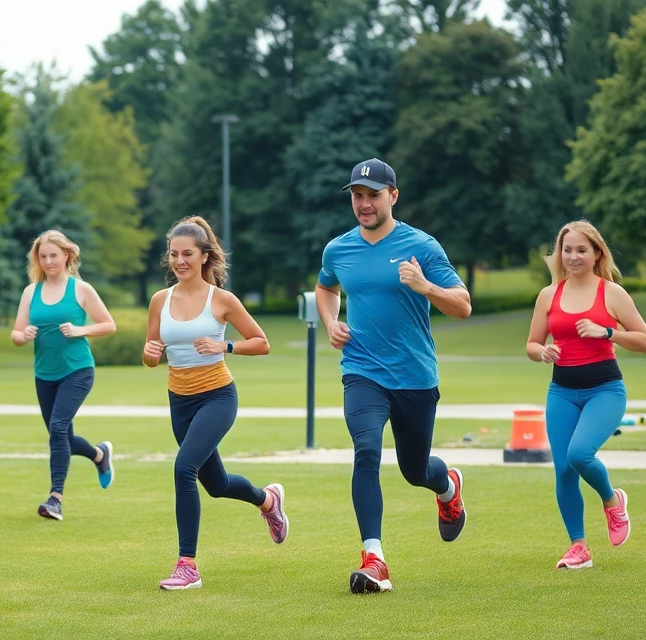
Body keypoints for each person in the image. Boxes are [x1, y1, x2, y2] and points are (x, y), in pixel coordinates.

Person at [314, 158, 473, 594]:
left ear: (393, 196)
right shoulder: (338, 249)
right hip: (362, 370)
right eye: (357, 196)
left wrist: (426, 287)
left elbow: (462, 305)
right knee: (366, 452)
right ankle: (374, 559)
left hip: (414, 377)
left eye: (373, 195)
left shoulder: (422, 246)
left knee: (414, 469)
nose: (364, 204)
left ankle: (447, 486)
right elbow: (325, 288)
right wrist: (330, 322)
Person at [143, 216, 288, 591]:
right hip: (180, 400)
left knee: (183, 469)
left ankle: (186, 565)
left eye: (187, 253)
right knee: (217, 484)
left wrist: (225, 345)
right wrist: (149, 352)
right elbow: (151, 357)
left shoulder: (221, 300)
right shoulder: (160, 300)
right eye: (174, 254)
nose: (179, 261)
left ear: (205, 256)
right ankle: (267, 500)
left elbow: (262, 342)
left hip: (217, 396)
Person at [525, 220, 646, 569]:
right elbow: (532, 343)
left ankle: (612, 501)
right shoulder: (549, 295)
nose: (573, 256)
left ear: (597, 253)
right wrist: (542, 352)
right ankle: (578, 546)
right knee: (564, 469)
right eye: (567, 249)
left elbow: (645, 341)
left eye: (582, 249)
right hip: (562, 391)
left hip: (605, 390)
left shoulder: (611, 293)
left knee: (580, 454)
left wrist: (607, 331)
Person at [10, 230, 118, 521]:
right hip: (44, 374)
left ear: (67, 256)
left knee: (58, 428)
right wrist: (24, 335)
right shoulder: (31, 292)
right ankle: (99, 455)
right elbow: (16, 334)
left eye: (53, 255)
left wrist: (80, 330)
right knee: (62, 435)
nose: (48, 261)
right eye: (42, 256)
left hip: (78, 369)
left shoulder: (81, 289)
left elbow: (108, 325)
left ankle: (55, 498)